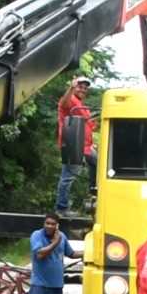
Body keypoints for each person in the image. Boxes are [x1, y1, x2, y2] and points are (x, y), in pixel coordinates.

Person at [55, 76, 98, 216]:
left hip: (86, 146)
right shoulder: (70, 99)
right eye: (80, 86)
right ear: (75, 87)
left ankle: (94, 191)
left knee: (99, 164)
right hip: (73, 144)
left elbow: (89, 126)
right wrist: (71, 87)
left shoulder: (82, 105)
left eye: (85, 88)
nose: (83, 89)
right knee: (68, 176)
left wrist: (93, 142)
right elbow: (64, 103)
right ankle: (61, 208)